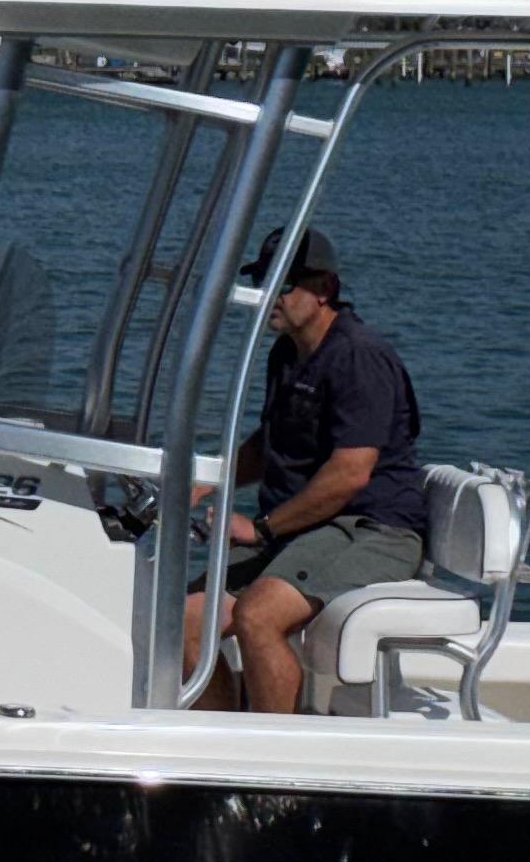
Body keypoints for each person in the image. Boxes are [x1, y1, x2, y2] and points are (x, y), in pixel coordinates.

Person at [185, 228, 432, 713]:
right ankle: (221, 746)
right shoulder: (288, 353)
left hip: (370, 530)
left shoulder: (359, 357)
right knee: (186, 619)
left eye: (283, 284)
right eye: (264, 282)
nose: (268, 296)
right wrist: (202, 483)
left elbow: (350, 474)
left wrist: (259, 529)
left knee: (258, 617)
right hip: (307, 531)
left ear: (324, 289)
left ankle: (272, 776)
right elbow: (271, 441)